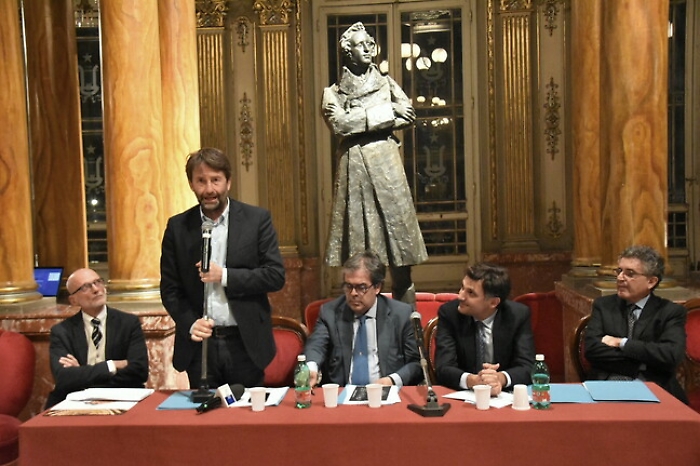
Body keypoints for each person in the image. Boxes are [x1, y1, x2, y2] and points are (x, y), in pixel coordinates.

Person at [160, 147, 285, 390]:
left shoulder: (256, 220)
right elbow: (170, 289)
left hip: (244, 343)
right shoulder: (177, 227)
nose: (209, 189)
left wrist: (225, 275)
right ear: (191, 184)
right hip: (200, 346)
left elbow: (275, 275)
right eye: (201, 181)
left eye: (215, 180)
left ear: (228, 181)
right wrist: (190, 322)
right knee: (204, 412)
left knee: (247, 412)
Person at [322, 22, 427, 304]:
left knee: (402, 259)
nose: (368, 49)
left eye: (370, 43)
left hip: (389, 172)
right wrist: (386, 112)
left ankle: (408, 326)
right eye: (361, 44)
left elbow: (408, 114)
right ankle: (363, 324)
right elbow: (340, 125)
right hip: (355, 173)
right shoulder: (333, 93)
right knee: (360, 262)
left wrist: (361, 116)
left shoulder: (386, 83)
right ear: (348, 52)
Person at [303, 250, 422, 387]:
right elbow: (316, 346)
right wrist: (311, 368)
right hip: (342, 394)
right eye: (348, 286)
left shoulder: (401, 314)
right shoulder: (330, 312)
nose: (353, 293)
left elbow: (416, 363)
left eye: (361, 287)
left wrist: (392, 380)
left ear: (377, 287)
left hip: (386, 392)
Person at [584, 245, 688, 403]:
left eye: (630, 273)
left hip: (654, 387)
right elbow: (592, 350)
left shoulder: (670, 312)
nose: (620, 278)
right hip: (607, 384)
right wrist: (642, 362)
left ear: (651, 281)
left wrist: (622, 343)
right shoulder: (603, 306)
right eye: (619, 271)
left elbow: (670, 355)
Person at [46, 268, 148, 408]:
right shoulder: (62, 331)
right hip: (75, 399)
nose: (96, 289)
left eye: (98, 282)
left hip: (120, 396)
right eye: (85, 287)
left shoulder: (128, 323)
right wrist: (111, 366)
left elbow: (139, 372)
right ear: (73, 300)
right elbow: (63, 377)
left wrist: (81, 372)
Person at [435, 263, 535, 396]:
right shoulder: (449, 314)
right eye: (462, 288)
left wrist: (500, 379)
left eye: (471, 293)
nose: (460, 296)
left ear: (493, 302)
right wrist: (473, 380)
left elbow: (528, 366)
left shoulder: (517, 315)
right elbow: (443, 367)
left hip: (504, 396)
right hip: (462, 395)